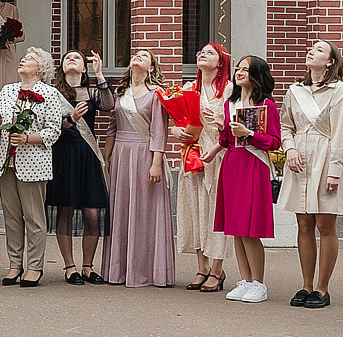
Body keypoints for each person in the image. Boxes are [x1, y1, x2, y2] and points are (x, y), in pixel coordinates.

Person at [280, 40, 343, 308]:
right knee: (303, 224)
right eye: (310, 47)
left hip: (325, 158)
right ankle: (305, 285)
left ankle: (322, 288)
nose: (311, 50)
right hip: (299, 159)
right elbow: (285, 125)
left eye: (320, 50)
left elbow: (342, 134)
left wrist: (336, 171)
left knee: (325, 225)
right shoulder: (295, 90)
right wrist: (289, 149)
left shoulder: (339, 91)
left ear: (331, 61)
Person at [0, 48, 70, 287]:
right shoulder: (7, 90)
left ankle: (35, 267)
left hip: (33, 162)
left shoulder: (49, 93)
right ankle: (15, 264)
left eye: (30, 59)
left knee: (34, 218)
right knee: (12, 217)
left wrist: (27, 138)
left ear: (41, 69)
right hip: (6, 162)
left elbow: (54, 130)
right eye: (23, 57)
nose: (23, 60)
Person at [103, 49, 173, 288]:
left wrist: (156, 162)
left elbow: (158, 130)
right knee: (121, 209)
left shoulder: (156, 94)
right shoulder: (119, 93)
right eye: (136, 54)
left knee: (144, 211)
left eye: (145, 56)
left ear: (151, 68)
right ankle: (118, 270)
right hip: (121, 156)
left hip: (144, 154)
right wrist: (106, 157)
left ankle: (147, 271)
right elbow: (111, 128)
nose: (138, 57)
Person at [216, 55, 282, 303]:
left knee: (250, 228)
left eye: (245, 69)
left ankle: (259, 283)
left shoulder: (267, 106)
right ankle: (245, 279)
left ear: (257, 74)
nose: (239, 72)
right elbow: (225, 141)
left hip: (253, 164)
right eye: (238, 69)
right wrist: (220, 127)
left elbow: (275, 142)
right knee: (235, 227)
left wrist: (250, 134)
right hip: (232, 163)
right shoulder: (229, 104)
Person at [172, 42, 233, 292]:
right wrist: (176, 131)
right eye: (200, 52)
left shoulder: (229, 89)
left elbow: (233, 124)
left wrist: (220, 125)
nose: (202, 55)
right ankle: (201, 266)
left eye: (209, 53)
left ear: (221, 62)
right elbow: (178, 121)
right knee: (195, 208)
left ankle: (217, 269)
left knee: (215, 211)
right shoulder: (189, 88)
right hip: (193, 154)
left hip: (217, 153)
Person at [50, 51, 112, 284]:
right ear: (62, 68)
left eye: (77, 58)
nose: (72, 60)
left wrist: (99, 73)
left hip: (88, 156)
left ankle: (88, 266)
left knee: (92, 214)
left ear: (84, 69)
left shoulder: (93, 91)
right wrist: (72, 119)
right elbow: (55, 125)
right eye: (68, 58)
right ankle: (70, 267)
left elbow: (108, 105)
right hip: (65, 155)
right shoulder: (54, 94)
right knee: (66, 211)